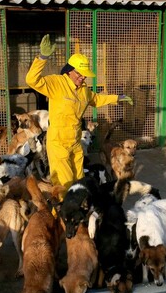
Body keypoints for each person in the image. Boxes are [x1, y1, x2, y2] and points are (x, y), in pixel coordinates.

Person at [26, 34, 133, 190]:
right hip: (58, 143)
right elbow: (32, 80)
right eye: (79, 74)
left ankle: (76, 210)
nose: (83, 77)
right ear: (70, 71)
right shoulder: (57, 83)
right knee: (64, 184)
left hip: (75, 142)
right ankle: (62, 213)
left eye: (85, 75)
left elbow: (96, 99)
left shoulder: (83, 90)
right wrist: (42, 57)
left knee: (79, 182)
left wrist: (118, 97)